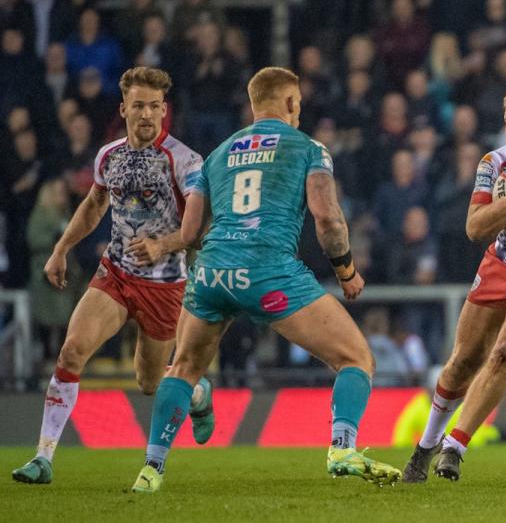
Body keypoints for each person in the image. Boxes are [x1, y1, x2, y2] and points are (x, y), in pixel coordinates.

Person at [130, 67, 400, 493]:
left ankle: (151, 469)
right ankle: (342, 447)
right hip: (269, 274)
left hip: (213, 273)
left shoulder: (216, 155)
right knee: (355, 359)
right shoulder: (308, 148)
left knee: (182, 369)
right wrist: (346, 270)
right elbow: (327, 217)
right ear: (291, 103)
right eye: (299, 104)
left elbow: (190, 232)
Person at [12, 67, 214, 485]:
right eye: (139, 105)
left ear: (164, 110)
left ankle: (197, 393)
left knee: (150, 382)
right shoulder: (109, 155)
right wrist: (61, 249)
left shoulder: (185, 160)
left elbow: (202, 226)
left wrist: (164, 244)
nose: (147, 114)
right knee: (71, 352)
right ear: (123, 109)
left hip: (164, 285)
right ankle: (43, 457)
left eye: (155, 106)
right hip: (116, 275)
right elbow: (94, 204)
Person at [401, 86, 506, 483]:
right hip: (500, 264)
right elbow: (474, 227)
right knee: (462, 362)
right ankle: (425, 447)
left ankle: (454, 447)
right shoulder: (493, 162)